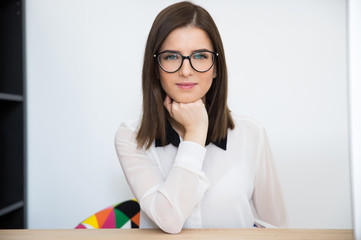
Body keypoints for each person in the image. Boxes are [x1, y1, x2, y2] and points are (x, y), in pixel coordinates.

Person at [114, 1, 287, 234]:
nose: (186, 70)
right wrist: (195, 134)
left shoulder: (251, 133)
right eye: (172, 56)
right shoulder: (131, 137)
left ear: (216, 67)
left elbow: (275, 227)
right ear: (155, 67)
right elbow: (169, 220)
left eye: (200, 56)